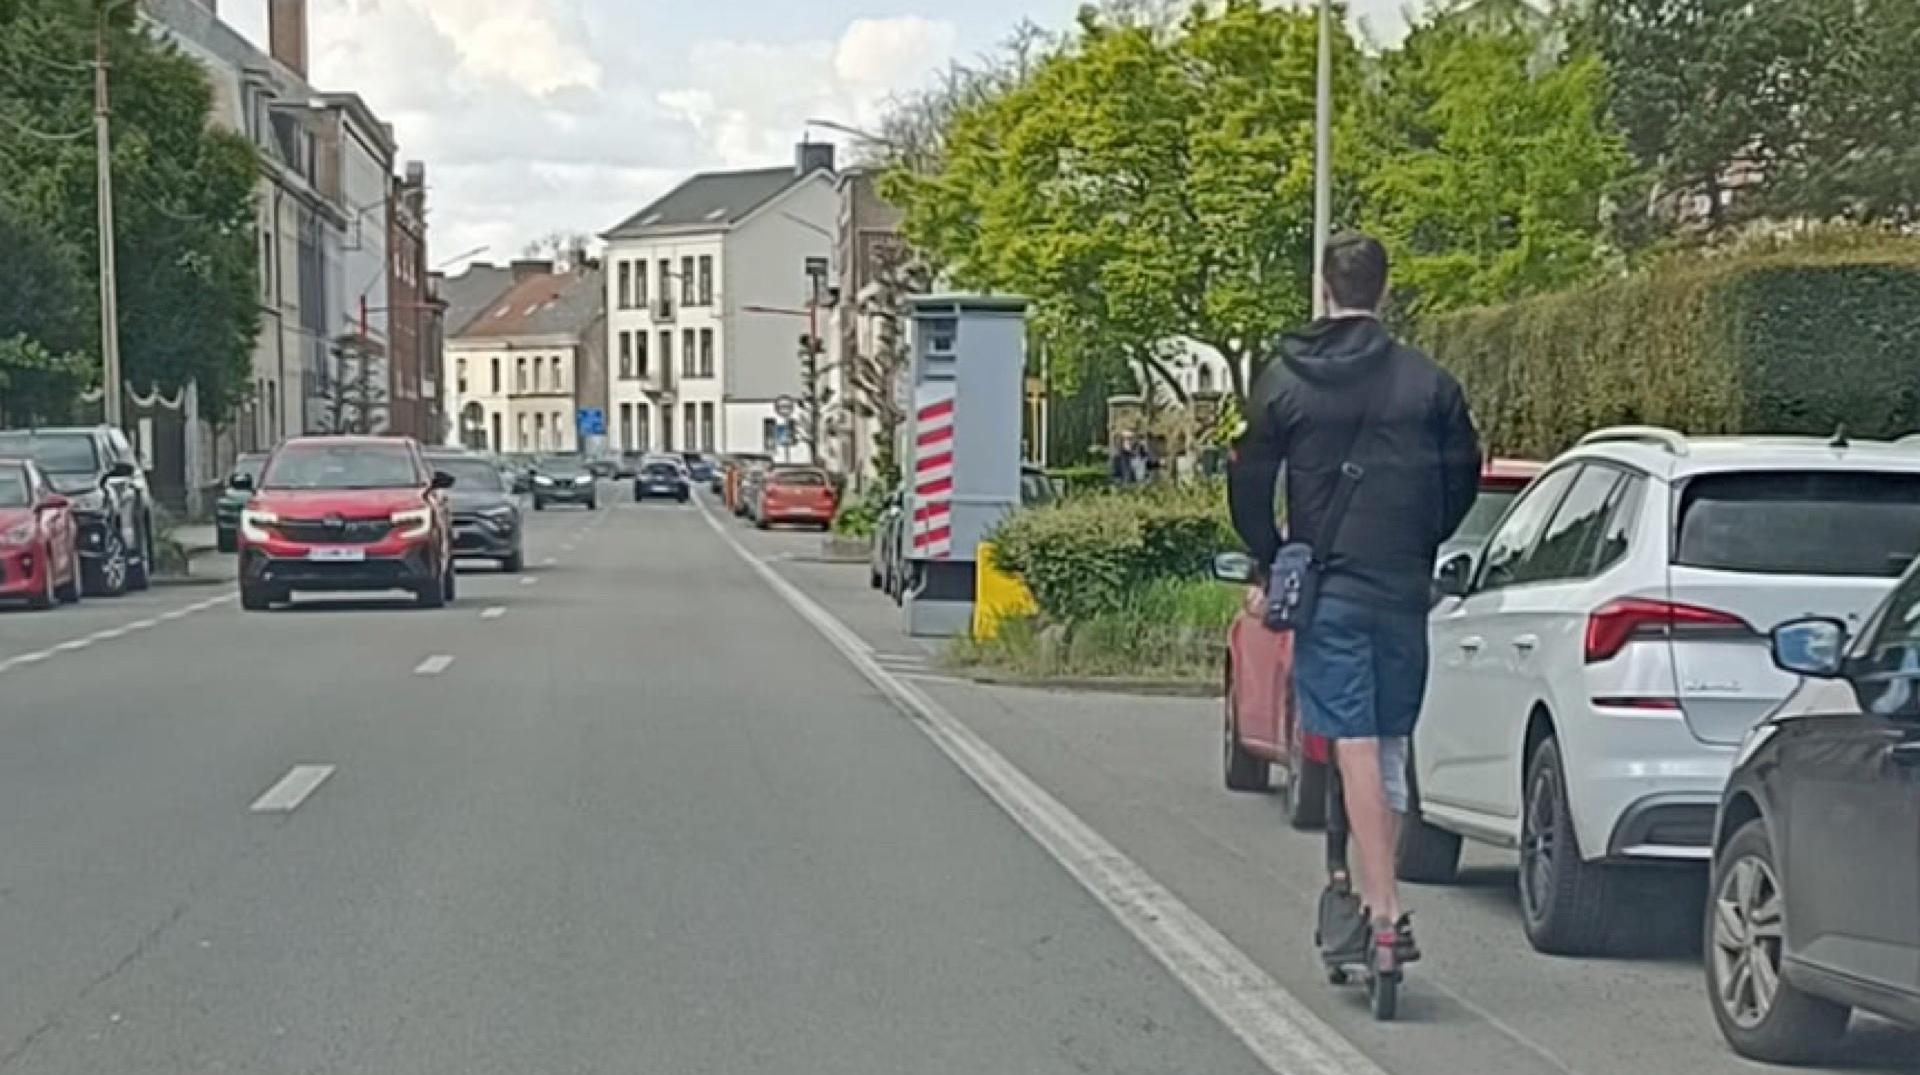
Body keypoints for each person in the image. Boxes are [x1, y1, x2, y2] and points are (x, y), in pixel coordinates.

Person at [1228, 233, 1481, 964]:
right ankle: (1378, 892)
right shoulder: (1429, 382)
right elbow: (1465, 471)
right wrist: (1424, 537)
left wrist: (1271, 557)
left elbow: (1247, 480)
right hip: (1401, 583)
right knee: (1392, 736)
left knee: (1355, 739)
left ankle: (1382, 908)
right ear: (1385, 288)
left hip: (1329, 585)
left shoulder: (1284, 380)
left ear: (1325, 288)